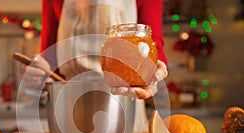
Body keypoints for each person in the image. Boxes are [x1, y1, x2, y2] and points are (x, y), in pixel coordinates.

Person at [22, 0, 168, 99]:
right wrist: (40, 72)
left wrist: (153, 72)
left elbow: (151, 46)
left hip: (125, 102)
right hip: (69, 104)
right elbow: (50, 60)